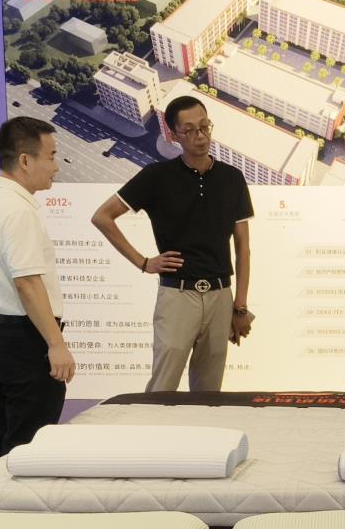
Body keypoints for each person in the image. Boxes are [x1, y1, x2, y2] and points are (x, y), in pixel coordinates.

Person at [91, 95, 254, 392]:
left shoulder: (232, 178)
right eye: (189, 130)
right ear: (173, 134)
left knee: (209, 393)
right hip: (177, 295)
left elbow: (242, 248)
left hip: (221, 296)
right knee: (162, 389)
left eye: (204, 126)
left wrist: (240, 308)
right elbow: (102, 217)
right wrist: (143, 262)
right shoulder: (157, 176)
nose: (200, 136)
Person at [0, 116, 74, 462]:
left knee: (4, 437)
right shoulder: (16, 211)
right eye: (51, 156)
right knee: (28, 445)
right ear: (25, 160)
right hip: (26, 340)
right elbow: (27, 282)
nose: (56, 166)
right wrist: (56, 344)